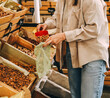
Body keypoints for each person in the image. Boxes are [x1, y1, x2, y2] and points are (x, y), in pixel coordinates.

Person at [37, 0, 109, 98]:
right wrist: (47, 24)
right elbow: (58, 18)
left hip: (92, 56)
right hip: (73, 54)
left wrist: (64, 36)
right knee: (75, 95)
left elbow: (94, 29)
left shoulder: (92, 1)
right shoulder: (63, 1)